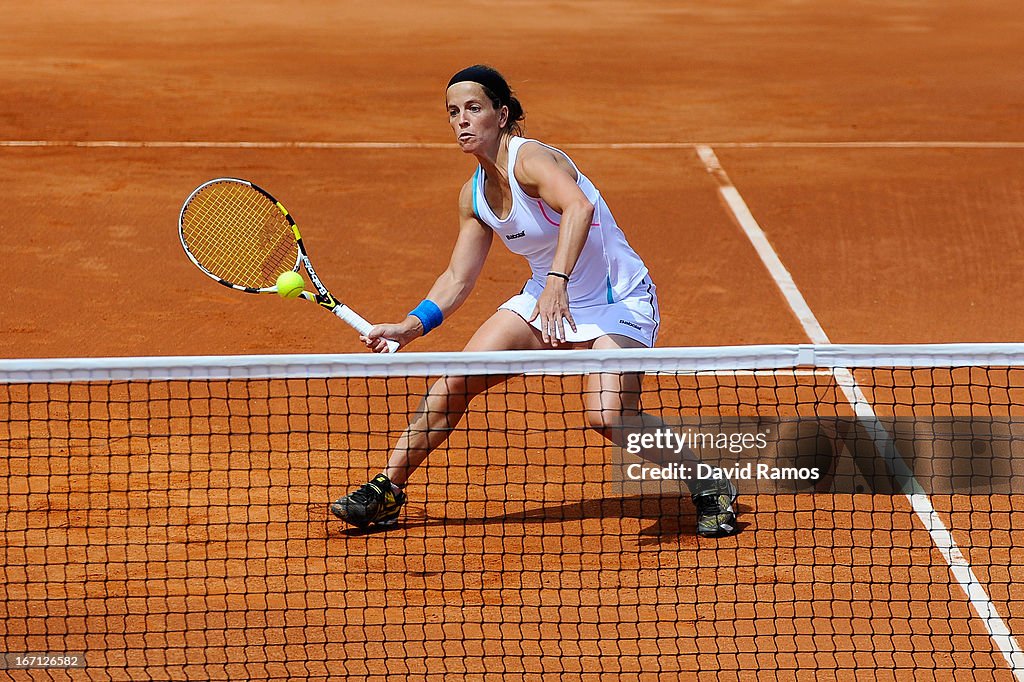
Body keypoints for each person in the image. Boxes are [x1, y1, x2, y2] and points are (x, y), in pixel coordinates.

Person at [330, 65, 738, 538]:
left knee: (609, 416)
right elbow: (458, 277)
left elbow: (578, 207)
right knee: (456, 381)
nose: (462, 120)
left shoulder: (533, 160)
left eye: (474, 108)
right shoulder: (474, 196)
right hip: (546, 300)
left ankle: (706, 477)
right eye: (453, 112)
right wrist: (409, 326)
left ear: (502, 115)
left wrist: (558, 280)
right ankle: (387, 490)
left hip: (616, 300)